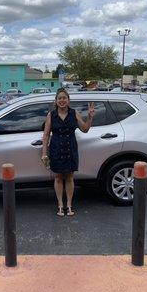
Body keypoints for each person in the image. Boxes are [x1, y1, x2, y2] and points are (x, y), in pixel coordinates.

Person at [42, 88, 95, 217]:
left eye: (64, 98)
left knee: (70, 177)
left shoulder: (74, 113)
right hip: (56, 148)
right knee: (59, 177)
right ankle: (60, 205)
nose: (62, 100)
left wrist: (89, 117)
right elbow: (46, 135)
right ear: (56, 101)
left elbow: (85, 129)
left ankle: (69, 205)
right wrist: (44, 153)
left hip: (71, 147)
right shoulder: (51, 115)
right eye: (59, 98)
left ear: (68, 100)